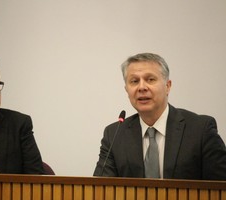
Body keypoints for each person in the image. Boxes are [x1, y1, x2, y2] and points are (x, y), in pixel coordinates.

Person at [93, 52, 226, 180]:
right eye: (134, 81)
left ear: (168, 86)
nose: (141, 87)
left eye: (150, 79)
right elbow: (101, 190)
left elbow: (220, 189)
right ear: (126, 90)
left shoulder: (200, 130)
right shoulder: (114, 135)